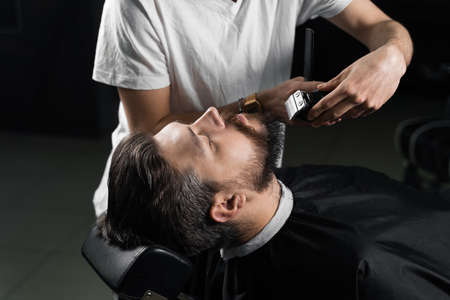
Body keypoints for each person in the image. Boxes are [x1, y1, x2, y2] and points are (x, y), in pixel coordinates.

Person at [91, 0, 414, 217]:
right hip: (159, 195)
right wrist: (257, 105)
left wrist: (392, 58)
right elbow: (150, 129)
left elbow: (381, 25)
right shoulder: (135, 5)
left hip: (248, 194)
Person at [99, 108, 450, 300]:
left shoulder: (233, 217)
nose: (211, 113)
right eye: (205, 140)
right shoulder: (359, 269)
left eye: (194, 123)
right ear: (229, 204)